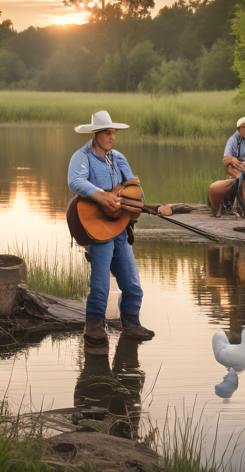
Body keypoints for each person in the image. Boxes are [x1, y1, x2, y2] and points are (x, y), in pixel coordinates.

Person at [68, 110, 154, 352]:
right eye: (108, 133)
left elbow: (134, 186)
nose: (112, 137)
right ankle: (94, 327)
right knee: (101, 284)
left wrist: (135, 212)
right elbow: (75, 181)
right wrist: (101, 195)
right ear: (96, 134)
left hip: (120, 227)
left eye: (113, 132)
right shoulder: (81, 156)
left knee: (133, 284)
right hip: (97, 226)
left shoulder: (117, 158)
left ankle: (131, 324)